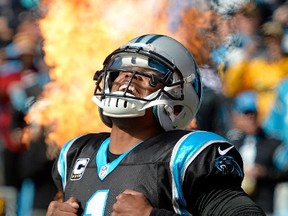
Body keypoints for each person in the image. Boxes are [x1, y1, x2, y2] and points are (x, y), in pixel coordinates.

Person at [46, 34, 265, 216]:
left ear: (177, 105)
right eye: (122, 72)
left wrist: (152, 215)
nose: (127, 80)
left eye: (148, 77)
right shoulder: (75, 153)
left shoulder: (187, 154)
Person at [226, 90, 286, 216]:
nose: (251, 118)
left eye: (254, 113)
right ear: (235, 117)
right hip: (235, 207)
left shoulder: (273, 143)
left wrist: (264, 172)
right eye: (246, 113)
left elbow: (285, 174)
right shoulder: (228, 143)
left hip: (265, 206)